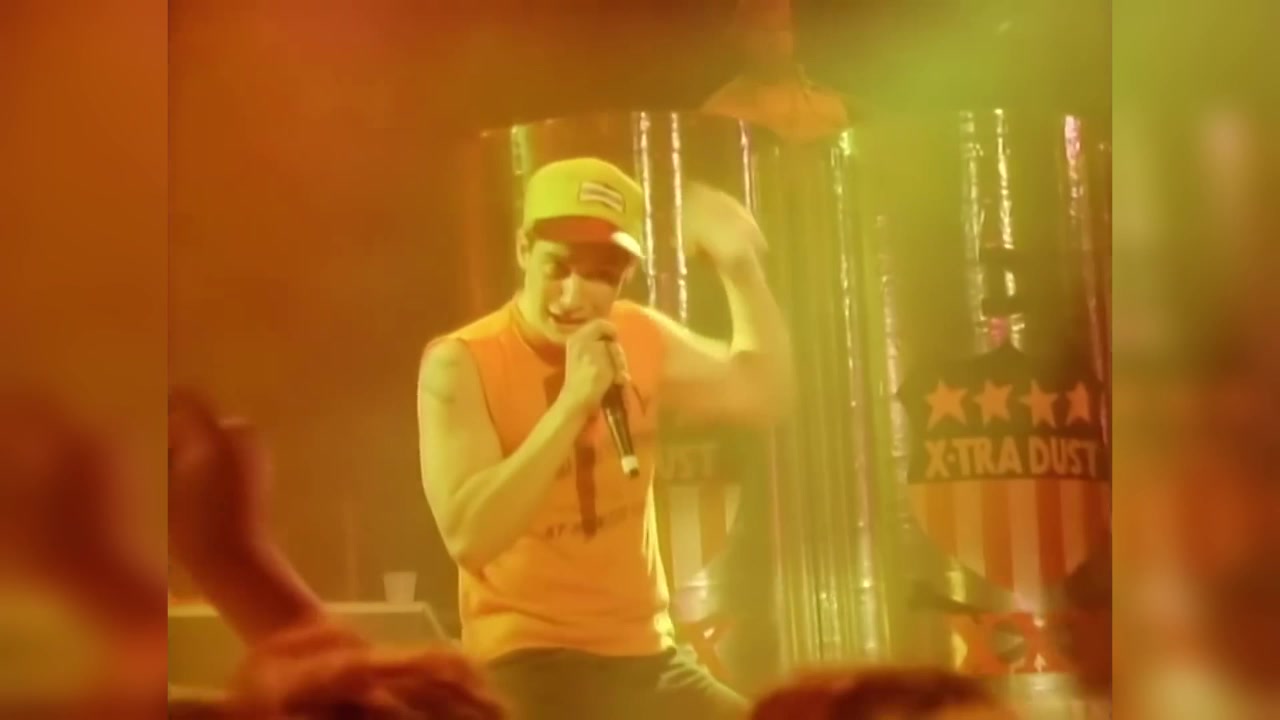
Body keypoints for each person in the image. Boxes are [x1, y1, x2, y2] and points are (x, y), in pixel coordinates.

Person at [416, 157, 794, 720]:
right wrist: (574, 402)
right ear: (523, 250)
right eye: (558, 267)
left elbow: (763, 393)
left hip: (646, 659)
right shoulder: (462, 362)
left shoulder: (637, 334)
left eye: (600, 275)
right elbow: (470, 534)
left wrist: (741, 270)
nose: (574, 295)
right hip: (526, 661)